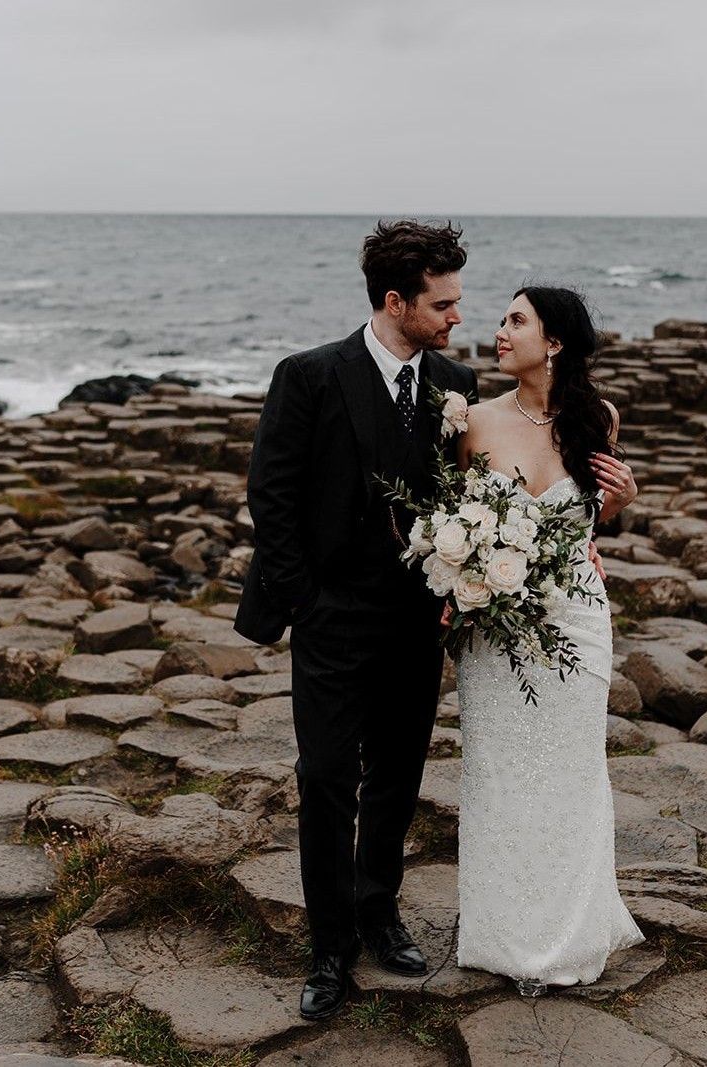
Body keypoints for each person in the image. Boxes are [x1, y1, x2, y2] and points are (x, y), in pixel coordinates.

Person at [234, 220, 478, 1021]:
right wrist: (306, 599)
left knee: (398, 776)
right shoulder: (309, 375)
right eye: (441, 304)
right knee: (326, 778)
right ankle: (329, 946)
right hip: (331, 619)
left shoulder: (456, 382)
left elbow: (472, 493)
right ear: (394, 300)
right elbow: (271, 492)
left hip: (416, 619)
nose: (455, 316)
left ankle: (380, 911)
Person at [455, 286, 642, 996]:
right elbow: (451, 519)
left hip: (577, 622)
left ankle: (571, 929)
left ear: (554, 341)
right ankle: (503, 933)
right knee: (499, 774)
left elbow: (589, 523)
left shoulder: (599, 419)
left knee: (571, 772)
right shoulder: (473, 421)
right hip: (495, 628)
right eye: (502, 320)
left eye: (516, 321)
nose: (500, 332)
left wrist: (620, 505)